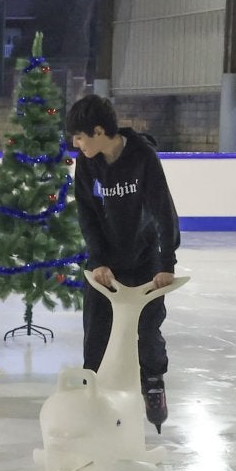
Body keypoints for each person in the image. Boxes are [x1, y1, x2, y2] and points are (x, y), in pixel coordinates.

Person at [65, 94, 181, 430]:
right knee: (96, 330)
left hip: (145, 260)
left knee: (147, 328)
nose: (76, 143)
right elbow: (86, 212)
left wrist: (165, 263)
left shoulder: (143, 156)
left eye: (80, 136)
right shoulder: (88, 162)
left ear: (99, 131)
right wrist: (98, 260)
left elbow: (163, 210)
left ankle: (154, 383)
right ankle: (92, 393)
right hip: (106, 263)